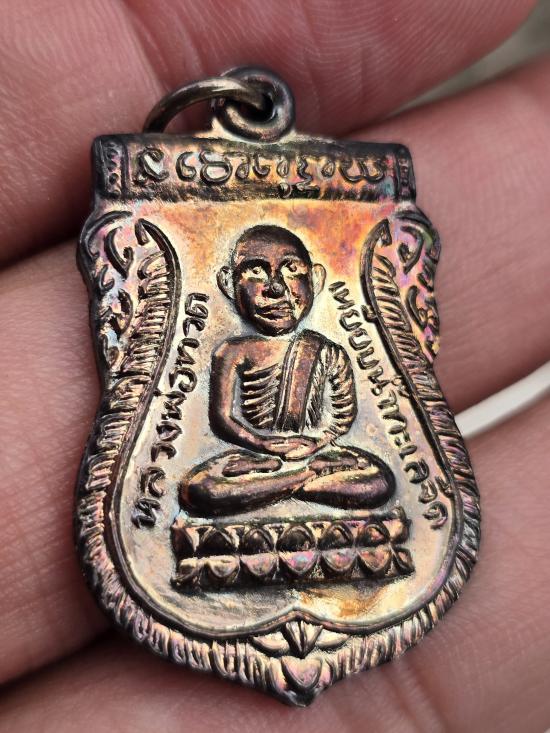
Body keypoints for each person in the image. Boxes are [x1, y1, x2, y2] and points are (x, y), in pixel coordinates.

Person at [180, 225, 394, 515]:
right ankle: (303, 479)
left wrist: (317, 443)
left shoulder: (327, 351)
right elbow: (222, 419)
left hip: (316, 452)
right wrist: (262, 444)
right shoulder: (231, 352)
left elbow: (343, 416)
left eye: (291, 269)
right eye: (256, 272)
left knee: (377, 482)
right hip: (254, 459)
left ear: (315, 280)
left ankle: (278, 485)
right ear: (229, 284)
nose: (276, 287)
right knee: (201, 489)